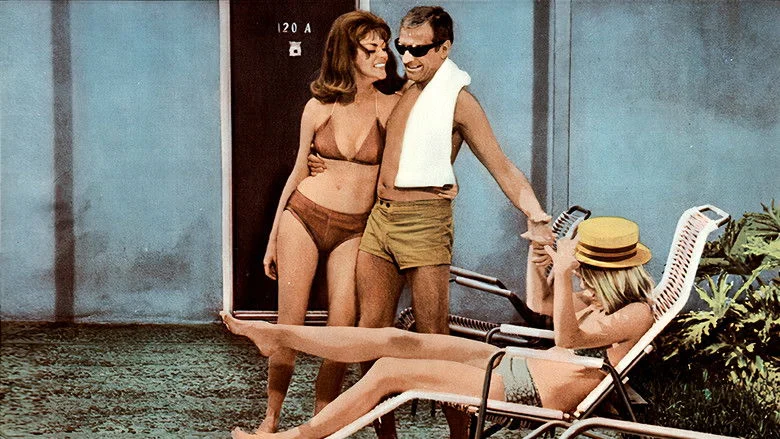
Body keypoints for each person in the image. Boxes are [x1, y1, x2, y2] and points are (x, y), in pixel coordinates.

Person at [310, 6, 555, 436]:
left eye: (419, 49)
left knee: (433, 341)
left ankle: (461, 434)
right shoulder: (404, 88)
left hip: (424, 223)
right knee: (371, 335)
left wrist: (536, 215)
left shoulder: (460, 101)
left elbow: (501, 165)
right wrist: (323, 161)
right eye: (402, 47)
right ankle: (386, 434)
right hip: (380, 221)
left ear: (445, 48)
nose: (407, 57)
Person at [223, 216, 656, 439]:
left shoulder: (637, 315)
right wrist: (538, 260)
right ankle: (278, 335)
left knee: (390, 371)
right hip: (517, 366)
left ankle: (298, 437)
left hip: (526, 391)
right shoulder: (602, 299)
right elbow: (541, 304)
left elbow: (568, 337)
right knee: (398, 339)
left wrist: (562, 274)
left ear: (610, 275)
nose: (582, 283)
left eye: (587, 275)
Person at [257, 11, 406, 433]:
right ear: (347, 54)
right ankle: (270, 419)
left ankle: (320, 424)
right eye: (371, 49)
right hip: (302, 216)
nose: (383, 55)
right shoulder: (318, 107)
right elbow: (297, 172)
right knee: (290, 323)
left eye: (384, 47)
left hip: (354, 229)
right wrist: (272, 238)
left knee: (340, 332)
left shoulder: (392, 106)